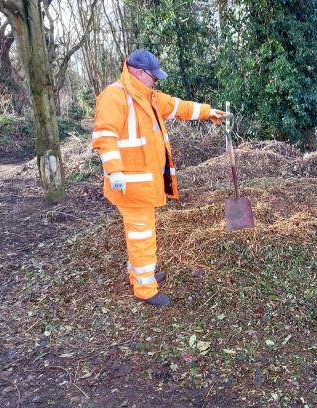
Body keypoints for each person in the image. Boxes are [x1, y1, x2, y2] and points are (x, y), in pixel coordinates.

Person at [91, 49, 228, 307]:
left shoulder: (148, 97)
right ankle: (145, 289)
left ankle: (140, 275)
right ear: (140, 73)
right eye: (154, 76)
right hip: (130, 186)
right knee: (142, 236)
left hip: (143, 184)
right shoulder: (115, 96)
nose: (156, 81)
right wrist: (116, 170)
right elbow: (103, 136)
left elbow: (180, 107)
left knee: (140, 234)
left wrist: (210, 112)